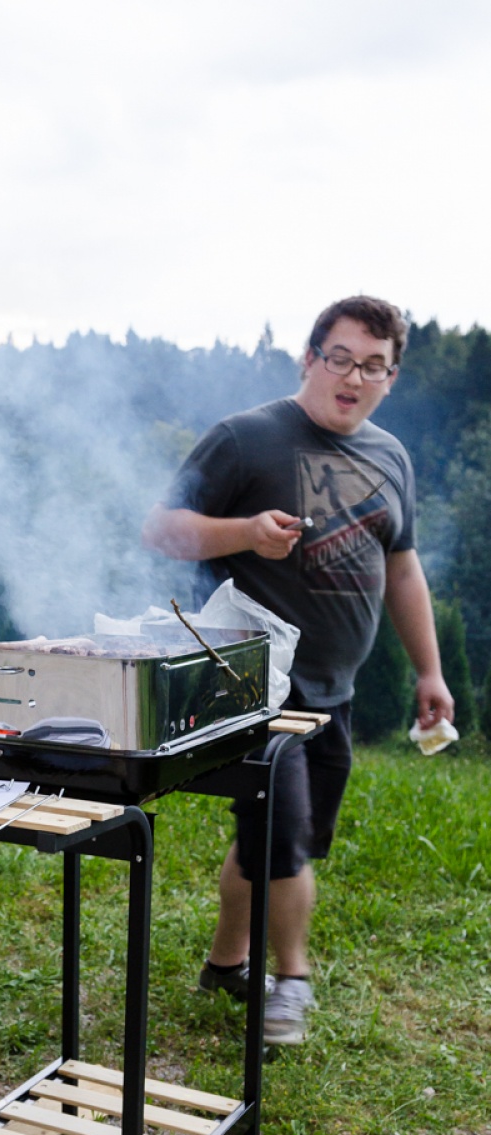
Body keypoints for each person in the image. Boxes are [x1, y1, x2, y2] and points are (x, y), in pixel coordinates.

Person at [142, 296, 453, 1046]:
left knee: (279, 837)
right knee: (281, 832)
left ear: (390, 379)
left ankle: (224, 965)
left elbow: (402, 567)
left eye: (372, 366)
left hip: (333, 690)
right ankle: (291, 982)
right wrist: (242, 532)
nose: (353, 377)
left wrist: (428, 671)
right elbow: (161, 530)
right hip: (253, 682)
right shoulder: (245, 439)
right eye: (340, 358)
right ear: (308, 359)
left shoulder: (389, 456)